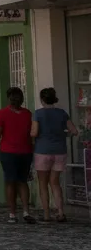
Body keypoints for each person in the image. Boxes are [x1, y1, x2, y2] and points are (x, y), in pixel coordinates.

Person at [31, 87, 77, 223]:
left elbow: (34, 132)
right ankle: (61, 212)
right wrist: (63, 134)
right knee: (55, 183)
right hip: (60, 151)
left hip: (42, 151)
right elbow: (74, 131)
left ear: (42, 99)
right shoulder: (62, 113)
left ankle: (46, 214)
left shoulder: (38, 114)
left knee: (43, 184)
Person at [0, 86, 36, 224]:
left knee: (10, 182)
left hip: (9, 152)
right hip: (25, 152)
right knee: (22, 182)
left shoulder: (2, 114)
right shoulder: (27, 114)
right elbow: (31, 135)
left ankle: (12, 213)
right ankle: (26, 211)